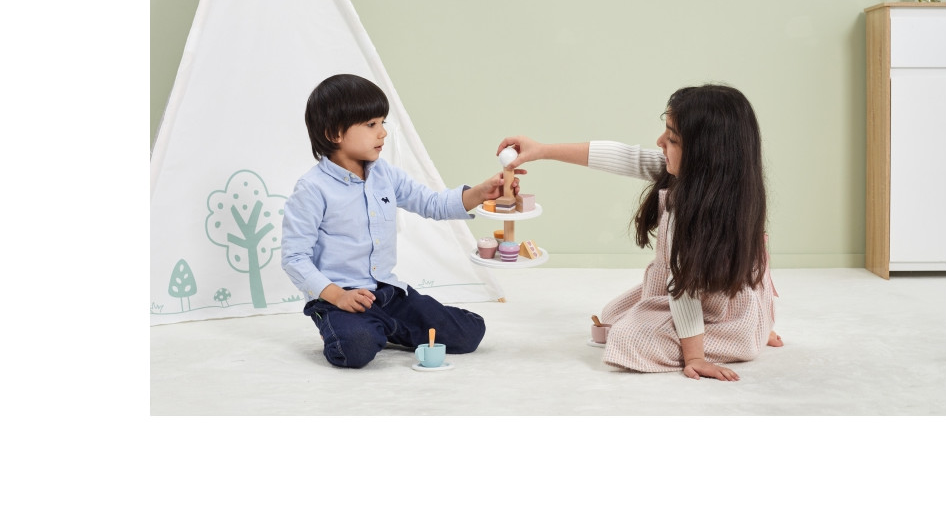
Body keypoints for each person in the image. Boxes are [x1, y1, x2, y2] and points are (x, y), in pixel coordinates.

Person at [497, 84, 782, 380]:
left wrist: (695, 357)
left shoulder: (691, 211)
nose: (659, 142)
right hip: (711, 298)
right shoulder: (719, 181)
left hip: (695, 298)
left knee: (628, 338)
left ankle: (739, 336)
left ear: (704, 155)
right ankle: (745, 329)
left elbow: (682, 288)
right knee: (611, 315)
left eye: (672, 138)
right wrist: (542, 150)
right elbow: (625, 157)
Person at [282, 73, 505, 370]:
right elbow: (294, 257)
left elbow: (432, 203)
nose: (383, 133)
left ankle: (386, 326)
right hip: (340, 299)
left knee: (471, 333)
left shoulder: (384, 174)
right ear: (334, 133)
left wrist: (481, 192)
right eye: (371, 124)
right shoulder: (312, 189)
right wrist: (337, 296)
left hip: (389, 294)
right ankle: (357, 328)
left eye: (382, 122)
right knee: (354, 349)